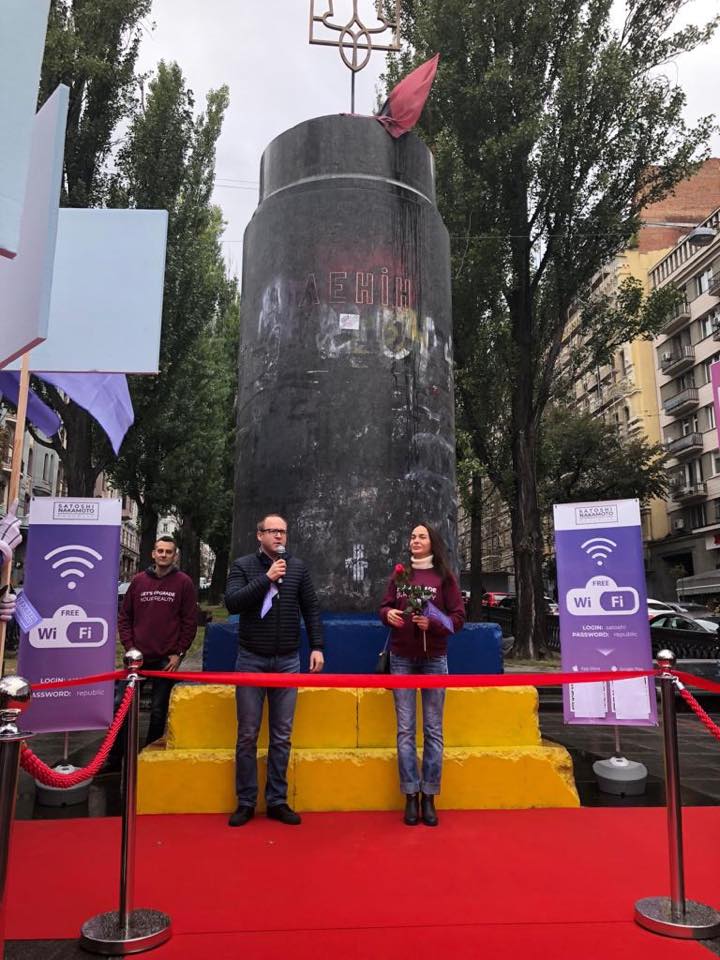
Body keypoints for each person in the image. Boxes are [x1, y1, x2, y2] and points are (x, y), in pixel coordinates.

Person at [225, 514, 324, 827]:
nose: (279, 536)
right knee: (247, 734)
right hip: (251, 659)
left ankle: (277, 800)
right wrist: (266, 578)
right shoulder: (243, 566)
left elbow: (311, 608)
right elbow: (233, 603)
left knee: (281, 735)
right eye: (273, 531)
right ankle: (245, 801)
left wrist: (317, 646)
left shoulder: (297, 567)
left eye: (283, 531)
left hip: (287, 661)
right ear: (260, 535)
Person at [379, 523, 465, 827]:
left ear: (432, 542)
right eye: (413, 536)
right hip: (401, 658)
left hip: (434, 659)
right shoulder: (400, 575)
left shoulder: (444, 577)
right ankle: (410, 795)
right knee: (405, 730)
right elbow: (384, 607)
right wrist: (388, 614)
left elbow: (458, 618)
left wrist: (435, 625)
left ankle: (429, 795)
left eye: (421, 536)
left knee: (433, 729)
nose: (415, 540)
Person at [108, 536, 197, 767]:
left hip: (166, 660)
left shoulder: (184, 583)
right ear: (153, 554)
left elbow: (189, 621)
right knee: (122, 707)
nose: (164, 555)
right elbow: (125, 617)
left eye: (168, 551)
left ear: (175, 555)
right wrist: (130, 647)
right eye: (160, 551)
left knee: (158, 711)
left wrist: (179, 652)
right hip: (137, 659)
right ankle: (115, 758)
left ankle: (149, 757)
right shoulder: (138, 581)